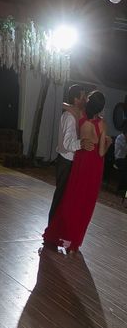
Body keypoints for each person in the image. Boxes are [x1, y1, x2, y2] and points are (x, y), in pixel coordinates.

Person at [43, 90, 111, 253]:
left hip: (81, 161)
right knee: (85, 204)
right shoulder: (103, 124)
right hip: (95, 164)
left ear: (88, 102)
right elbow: (101, 153)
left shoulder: (80, 116)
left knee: (71, 200)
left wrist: (70, 104)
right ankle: (73, 242)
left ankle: (59, 235)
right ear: (101, 108)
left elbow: (64, 105)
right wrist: (108, 143)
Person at [47, 84, 93, 223]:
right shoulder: (69, 117)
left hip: (70, 161)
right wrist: (82, 143)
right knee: (61, 196)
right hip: (66, 161)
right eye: (83, 96)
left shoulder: (76, 114)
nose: (85, 99)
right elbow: (67, 144)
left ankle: (56, 229)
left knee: (66, 197)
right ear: (76, 99)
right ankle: (51, 231)